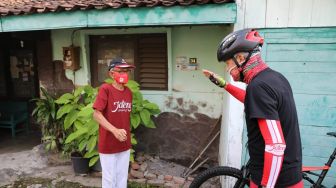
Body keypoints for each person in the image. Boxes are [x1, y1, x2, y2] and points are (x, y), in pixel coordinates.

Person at [203, 29, 303, 188]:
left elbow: (276, 146)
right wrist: (223, 84)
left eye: (228, 64)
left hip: (274, 180)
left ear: (240, 58)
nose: (227, 70)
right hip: (287, 174)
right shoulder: (275, 78)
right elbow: (254, 102)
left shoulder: (258, 87)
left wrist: (266, 185)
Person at [93, 57, 135, 188]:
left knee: (122, 177)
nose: (125, 74)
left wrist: (122, 133)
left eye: (126, 71)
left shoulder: (129, 92)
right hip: (108, 142)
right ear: (112, 73)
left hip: (124, 142)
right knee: (110, 179)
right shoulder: (106, 89)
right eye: (121, 71)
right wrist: (114, 130)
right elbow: (96, 114)